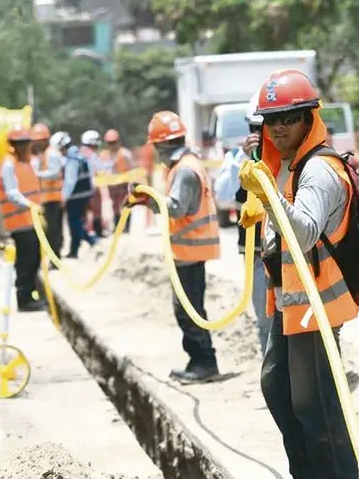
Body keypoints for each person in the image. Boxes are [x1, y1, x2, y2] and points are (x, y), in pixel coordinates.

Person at [237, 68, 359, 479]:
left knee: (316, 401)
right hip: (291, 301)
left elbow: (306, 229)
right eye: (271, 121)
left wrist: (268, 198)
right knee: (278, 387)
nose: (279, 128)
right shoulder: (288, 166)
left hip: (318, 304)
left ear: (310, 118)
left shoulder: (320, 170)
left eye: (289, 118)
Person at [127, 110, 223, 383]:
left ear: (161, 144)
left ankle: (204, 363)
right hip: (188, 251)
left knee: (188, 310)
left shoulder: (184, 170)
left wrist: (148, 199)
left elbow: (177, 208)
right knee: (190, 308)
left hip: (189, 252)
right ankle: (200, 360)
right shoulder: (186, 164)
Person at [217, 91, 270, 354]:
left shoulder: (288, 158)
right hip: (257, 256)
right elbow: (224, 194)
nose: (260, 135)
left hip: (289, 255)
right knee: (265, 320)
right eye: (254, 129)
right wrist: (245, 161)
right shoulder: (236, 159)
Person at [0, 127, 46, 312]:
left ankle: (31, 294)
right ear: (14, 146)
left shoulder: (27, 163)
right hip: (19, 222)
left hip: (31, 221)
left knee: (34, 258)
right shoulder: (9, 165)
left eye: (28, 143)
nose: (27, 147)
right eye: (23, 144)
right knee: (26, 261)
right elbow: (12, 193)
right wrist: (30, 206)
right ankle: (24, 299)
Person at [30, 123, 64, 266]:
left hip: (53, 200)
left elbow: (54, 173)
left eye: (38, 141)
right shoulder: (43, 155)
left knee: (53, 232)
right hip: (47, 199)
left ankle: (55, 259)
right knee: (49, 231)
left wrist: (36, 175)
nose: (35, 144)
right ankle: (52, 258)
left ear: (44, 140)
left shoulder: (52, 154)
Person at [61, 133, 98, 259]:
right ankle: (74, 250)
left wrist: (64, 197)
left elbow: (70, 181)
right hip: (84, 195)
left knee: (74, 223)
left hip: (75, 197)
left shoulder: (72, 160)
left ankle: (92, 240)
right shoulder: (78, 156)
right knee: (77, 222)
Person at [100, 129, 135, 233]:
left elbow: (132, 168)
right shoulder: (104, 155)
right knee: (115, 205)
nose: (111, 145)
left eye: (113, 142)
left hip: (124, 183)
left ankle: (127, 227)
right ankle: (117, 227)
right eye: (109, 143)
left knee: (126, 204)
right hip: (112, 184)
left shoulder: (125, 154)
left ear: (118, 141)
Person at [81, 129, 106, 238]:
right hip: (91, 186)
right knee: (96, 209)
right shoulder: (92, 155)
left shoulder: (80, 152)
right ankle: (98, 231)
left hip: (80, 187)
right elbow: (96, 169)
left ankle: (83, 233)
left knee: (83, 211)